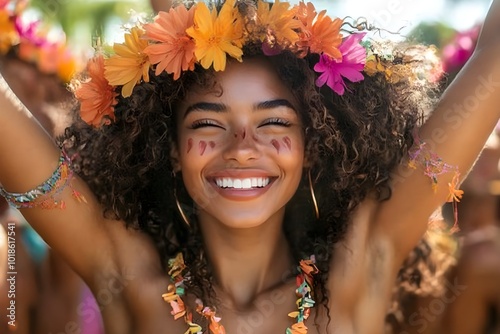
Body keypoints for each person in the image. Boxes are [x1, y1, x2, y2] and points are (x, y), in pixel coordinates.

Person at [1, 0, 500, 333]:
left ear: (312, 146)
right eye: (208, 124)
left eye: (274, 122)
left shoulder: (358, 270)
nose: (242, 147)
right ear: (170, 150)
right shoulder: (131, 280)